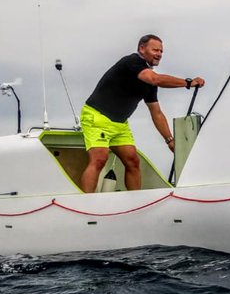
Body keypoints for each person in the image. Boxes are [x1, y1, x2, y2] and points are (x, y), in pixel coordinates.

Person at [80, 34, 205, 192]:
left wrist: (169, 140)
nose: (159, 54)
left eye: (161, 51)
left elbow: (156, 113)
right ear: (142, 48)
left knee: (133, 161)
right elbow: (155, 79)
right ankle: (86, 203)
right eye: (155, 50)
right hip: (96, 117)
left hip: (120, 125)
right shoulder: (132, 62)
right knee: (100, 159)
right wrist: (188, 83)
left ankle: (136, 202)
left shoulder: (150, 82)